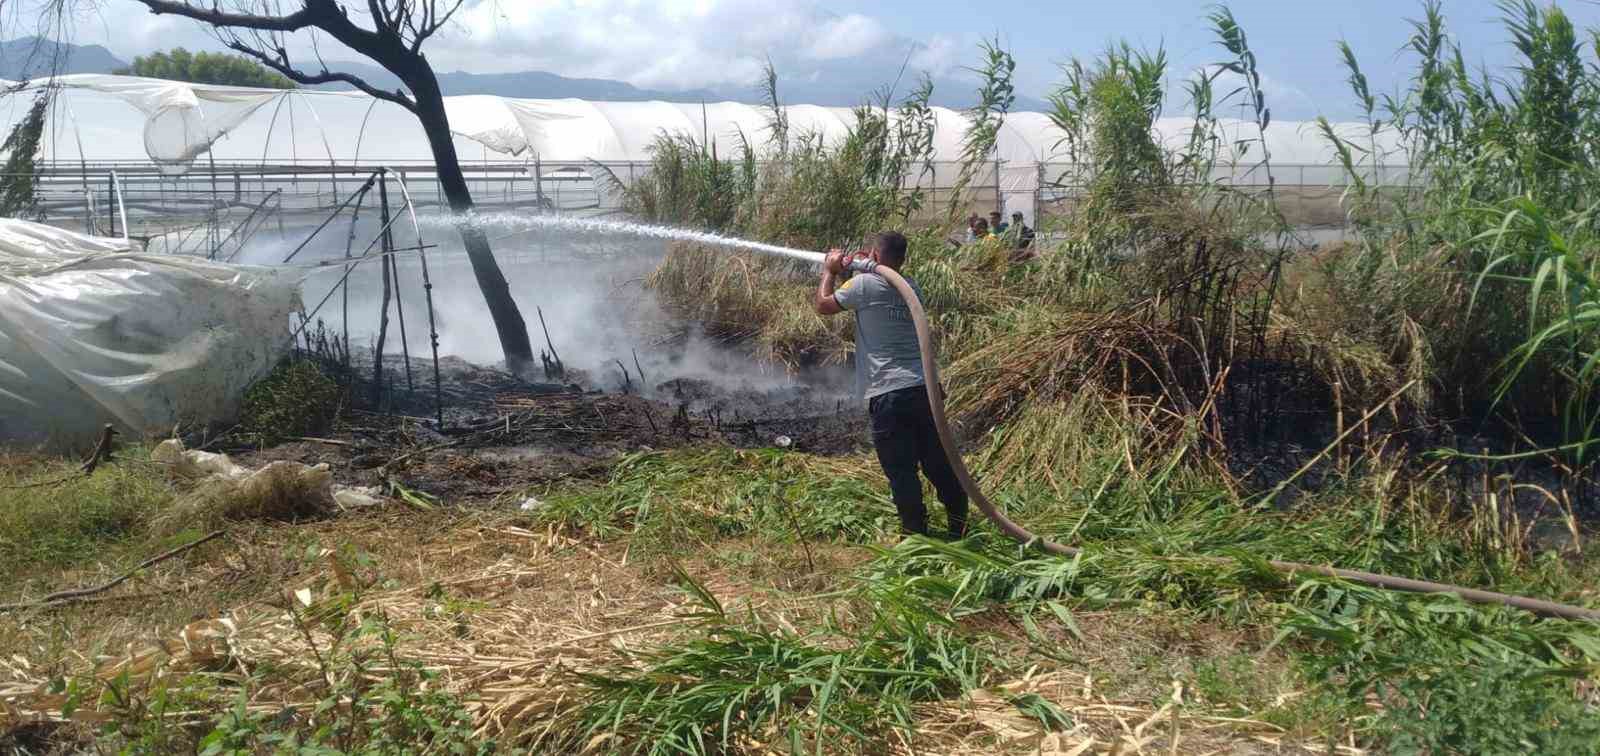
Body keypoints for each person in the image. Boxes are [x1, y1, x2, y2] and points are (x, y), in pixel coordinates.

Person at [813, 231, 969, 539]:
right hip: (924, 389)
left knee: (901, 470)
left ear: (874, 256)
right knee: (939, 463)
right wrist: (859, 264)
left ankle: (915, 537)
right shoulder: (912, 287)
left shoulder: (863, 285)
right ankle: (959, 529)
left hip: (889, 393)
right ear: (903, 259)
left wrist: (828, 272)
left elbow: (823, 305)